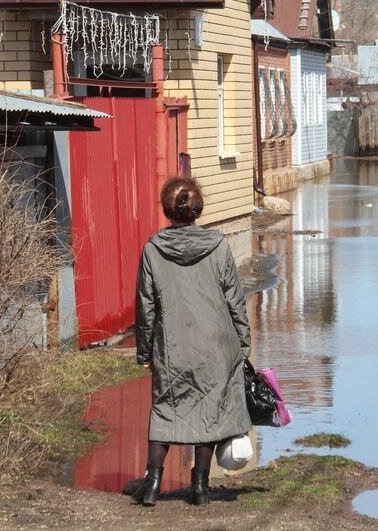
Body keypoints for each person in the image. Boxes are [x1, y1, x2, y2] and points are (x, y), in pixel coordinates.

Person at [128, 177, 252, 507]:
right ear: (198, 210)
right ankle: (200, 488)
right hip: (216, 346)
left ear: (167, 210)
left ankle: (152, 485)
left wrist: (145, 351)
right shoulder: (219, 245)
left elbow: (145, 306)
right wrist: (243, 343)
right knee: (209, 412)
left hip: (172, 348)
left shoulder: (153, 250)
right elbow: (234, 299)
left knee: (165, 410)